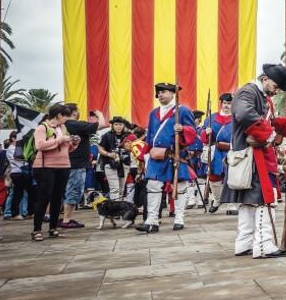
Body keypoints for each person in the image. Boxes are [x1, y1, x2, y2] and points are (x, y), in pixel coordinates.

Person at [219, 63, 286, 257]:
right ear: (265, 79)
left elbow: (269, 121)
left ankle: (244, 244)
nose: (277, 91)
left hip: (256, 156)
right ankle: (263, 246)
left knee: (248, 202)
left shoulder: (263, 98)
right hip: (252, 156)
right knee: (264, 200)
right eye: (276, 86)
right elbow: (245, 115)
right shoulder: (247, 92)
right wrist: (270, 136)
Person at [138, 83, 198, 233]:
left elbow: (193, 133)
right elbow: (150, 135)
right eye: (158, 92)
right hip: (157, 154)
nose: (160, 95)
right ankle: (151, 220)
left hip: (176, 154)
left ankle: (179, 218)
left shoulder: (183, 110)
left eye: (164, 92)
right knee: (152, 186)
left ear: (173, 94)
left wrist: (183, 129)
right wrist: (142, 154)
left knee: (181, 186)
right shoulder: (153, 113)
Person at [30, 103, 75, 241]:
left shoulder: (63, 128)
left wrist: (73, 143)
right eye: (66, 116)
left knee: (57, 198)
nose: (67, 119)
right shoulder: (42, 128)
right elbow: (40, 145)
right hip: (45, 167)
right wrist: (60, 139)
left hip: (64, 165)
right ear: (59, 115)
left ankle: (53, 228)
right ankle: (37, 230)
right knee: (44, 198)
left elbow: (67, 149)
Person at [60, 104, 105, 228]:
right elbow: (101, 125)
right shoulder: (75, 124)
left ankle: (64, 218)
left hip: (67, 163)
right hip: (76, 164)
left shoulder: (63, 125)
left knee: (68, 191)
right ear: (74, 112)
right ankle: (66, 219)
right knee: (74, 191)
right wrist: (99, 114)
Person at [203, 93, 233, 213]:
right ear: (221, 104)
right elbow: (203, 138)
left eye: (229, 103)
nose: (226, 106)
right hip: (216, 151)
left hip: (232, 151)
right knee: (214, 177)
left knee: (232, 178)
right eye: (225, 103)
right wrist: (206, 133)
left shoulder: (237, 118)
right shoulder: (211, 118)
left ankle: (231, 205)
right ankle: (217, 199)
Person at [98, 117, 132, 203]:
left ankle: (119, 208)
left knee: (121, 188)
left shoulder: (128, 135)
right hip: (110, 164)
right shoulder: (107, 135)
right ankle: (115, 209)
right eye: (116, 124)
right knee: (114, 189)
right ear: (112, 125)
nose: (118, 126)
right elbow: (100, 149)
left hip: (124, 164)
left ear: (124, 125)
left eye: (120, 124)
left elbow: (134, 148)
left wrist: (129, 148)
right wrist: (109, 154)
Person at [4, 133, 30, 220]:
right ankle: (10, 212)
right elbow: (18, 159)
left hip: (23, 172)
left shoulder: (19, 147)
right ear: (13, 138)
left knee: (23, 193)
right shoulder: (11, 149)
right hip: (16, 172)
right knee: (15, 193)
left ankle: (23, 211)